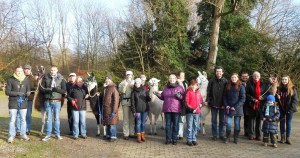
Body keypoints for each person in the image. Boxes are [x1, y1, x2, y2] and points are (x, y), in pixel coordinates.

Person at [155, 74, 184, 145]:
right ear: (168, 79)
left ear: (176, 79)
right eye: (170, 78)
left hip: (176, 109)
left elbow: (183, 98)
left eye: (173, 78)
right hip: (167, 109)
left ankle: (174, 139)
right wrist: (157, 94)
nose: (172, 79)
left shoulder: (180, 88)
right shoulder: (165, 88)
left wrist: (179, 96)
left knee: (175, 125)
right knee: (167, 125)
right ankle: (168, 139)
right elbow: (162, 97)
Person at [40, 65, 66, 141]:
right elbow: (41, 89)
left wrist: (56, 90)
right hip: (48, 101)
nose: (52, 71)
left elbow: (64, 90)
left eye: (54, 70)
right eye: (51, 70)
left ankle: (57, 134)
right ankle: (48, 135)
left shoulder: (61, 79)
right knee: (48, 119)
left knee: (57, 118)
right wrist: (48, 90)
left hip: (57, 101)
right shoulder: (45, 78)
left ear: (57, 70)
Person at [5, 66, 31, 143]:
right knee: (12, 120)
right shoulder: (10, 79)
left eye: (20, 71)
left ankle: (23, 134)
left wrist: (28, 93)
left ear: (23, 72)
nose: (19, 72)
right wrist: (17, 93)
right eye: (18, 71)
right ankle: (11, 136)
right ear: (15, 71)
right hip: (13, 102)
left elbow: (28, 90)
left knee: (23, 119)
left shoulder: (26, 80)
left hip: (23, 103)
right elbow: (7, 92)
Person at [205, 66, 227, 141]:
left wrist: (225, 103)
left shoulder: (225, 81)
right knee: (213, 120)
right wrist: (208, 100)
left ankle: (221, 134)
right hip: (213, 103)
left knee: (222, 121)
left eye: (220, 71)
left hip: (222, 104)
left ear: (222, 72)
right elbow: (208, 91)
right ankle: (214, 135)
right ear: (215, 72)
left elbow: (227, 93)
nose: (218, 73)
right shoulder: (211, 81)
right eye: (217, 71)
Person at [245, 71, 269, 141]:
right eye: (255, 76)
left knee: (259, 120)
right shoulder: (249, 84)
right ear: (252, 77)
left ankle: (258, 135)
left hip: (260, 105)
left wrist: (263, 97)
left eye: (257, 76)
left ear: (260, 77)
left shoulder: (264, 84)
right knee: (251, 120)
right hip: (251, 104)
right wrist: (253, 99)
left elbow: (268, 93)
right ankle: (251, 134)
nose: (256, 77)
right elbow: (246, 94)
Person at [223, 73, 246, 144]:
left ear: (238, 78)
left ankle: (236, 138)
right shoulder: (228, 86)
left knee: (237, 124)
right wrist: (226, 105)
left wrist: (235, 107)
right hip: (229, 108)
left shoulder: (241, 86)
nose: (233, 78)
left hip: (237, 109)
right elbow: (224, 97)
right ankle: (228, 137)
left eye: (235, 77)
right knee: (228, 123)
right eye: (232, 77)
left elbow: (243, 98)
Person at [15, 64, 38, 135]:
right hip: (20, 99)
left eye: (28, 69)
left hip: (29, 100)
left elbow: (36, 88)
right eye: (26, 69)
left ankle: (27, 129)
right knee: (19, 114)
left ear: (30, 70)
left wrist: (31, 90)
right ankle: (18, 130)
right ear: (23, 70)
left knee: (28, 115)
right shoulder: (20, 78)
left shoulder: (34, 79)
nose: (27, 70)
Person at [276, 75, 298, 144]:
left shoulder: (292, 89)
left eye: (285, 79)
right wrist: (277, 98)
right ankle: (282, 138)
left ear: (288, 80)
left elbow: (294, 100)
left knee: (288, 123)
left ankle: (288, 138)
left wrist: (290, 109)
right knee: (282, 123)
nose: (284, 81)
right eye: (283, 79)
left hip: (289, 109)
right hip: (281, 108)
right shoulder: (279, 88)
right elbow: (276, 99)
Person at [131, 78, 150, 143]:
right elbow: (132, 103)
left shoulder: (145, 90)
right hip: (137, 111)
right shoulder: (133, 92)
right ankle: (138, 136)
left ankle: (142, 135)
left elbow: (148, 99)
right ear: (135, 84)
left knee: (143, 123)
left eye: (139, 82)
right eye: (136, 83)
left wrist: (149, 97)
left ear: (141, 83)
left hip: (145, 109)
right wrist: (134, 111)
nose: (137, 84)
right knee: (138, 123)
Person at [102, 74, 120, 142]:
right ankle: (108, 135)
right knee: (107, 123)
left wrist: (114, 111)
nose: (107, 80)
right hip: (106, 109)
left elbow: (116, 100)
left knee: (112, 124)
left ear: (111, 80)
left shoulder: (113, 88)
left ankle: (113, 136)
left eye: (108, 79)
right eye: (106, 79)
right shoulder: (105, 88)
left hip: (111, 109)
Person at [185, 79, 202, 146]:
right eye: (192, 85)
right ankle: (189, 139)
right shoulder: (188, 92)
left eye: (195, 85)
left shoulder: (198, 92)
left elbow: (200, 100)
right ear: (190, 85)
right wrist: (191, 109)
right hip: (190, 112)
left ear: (197, 85)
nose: (194, 86)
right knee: (189, 126)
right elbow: (186, 102)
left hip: (197, 112)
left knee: (195, 126)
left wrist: (201, 104)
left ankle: (194, 139)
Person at [118, 70, 135, 140]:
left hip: (133, 102)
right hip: (125, 102)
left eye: (130, 75)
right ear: (125, 75)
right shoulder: (122, 83)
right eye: (127, 75)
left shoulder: (135, 82)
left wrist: (134, 86)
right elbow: (120, 91)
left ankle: (132, 133)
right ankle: (126, 133)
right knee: (126, 119)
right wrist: (124, 87)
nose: (128, 76)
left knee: (132, 119)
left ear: (132, 75)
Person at [177, 71, 188, 140]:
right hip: (177, 103)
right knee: (176, 119)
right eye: (181, 75)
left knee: (182, 119)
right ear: (178, 76)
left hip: (184, 103)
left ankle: (180, 133)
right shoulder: (176, 82)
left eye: (183, 75)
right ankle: (176, 133)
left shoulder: (186, 82)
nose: (183, 76)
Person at [240, 71, 249, 137]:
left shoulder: (250, 83)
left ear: (248, 77)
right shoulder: (239, 83)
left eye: (246, 76)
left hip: (248, 103)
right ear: (241, 77)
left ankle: (247, 132)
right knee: (238, 117)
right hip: (240, 103)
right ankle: (237, 130)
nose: (244, 77)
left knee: (247, 118)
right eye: (243, 76)